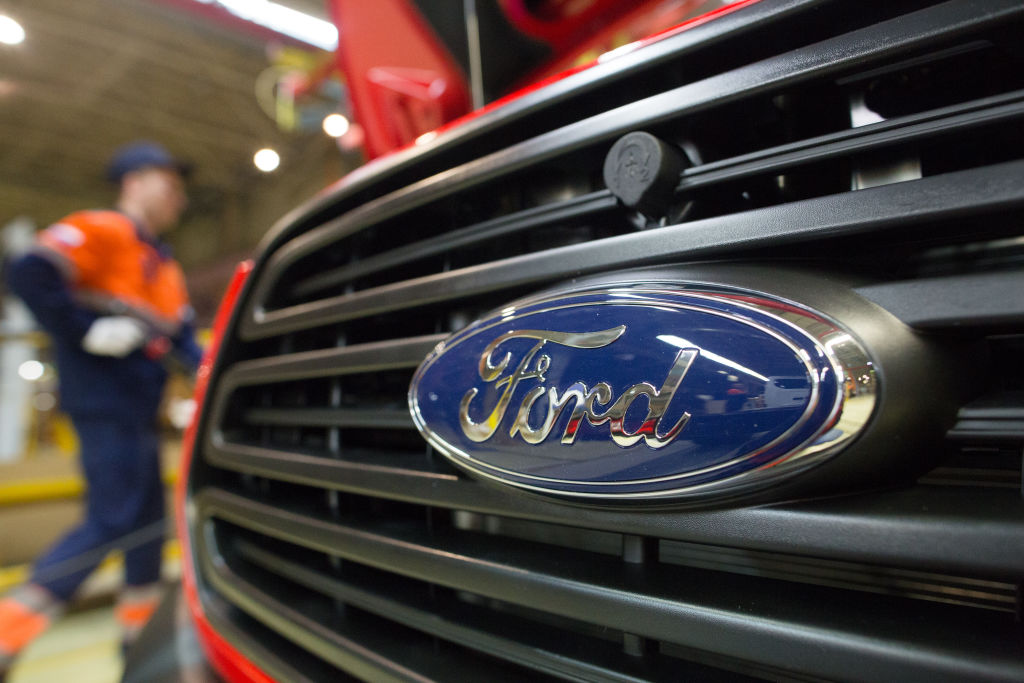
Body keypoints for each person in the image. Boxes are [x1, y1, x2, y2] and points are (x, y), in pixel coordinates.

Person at [0, 141, 202, 674]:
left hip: (140, 413)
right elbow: (28, 273)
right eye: (169, 182)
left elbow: (184, 343)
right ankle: (4, 635)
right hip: (103, 402)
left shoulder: (165, 266)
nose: (179, 196)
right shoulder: (101, 230)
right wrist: (86, 332)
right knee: (113, 517)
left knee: (146, 533)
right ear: (133, 183)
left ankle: (139, 655)